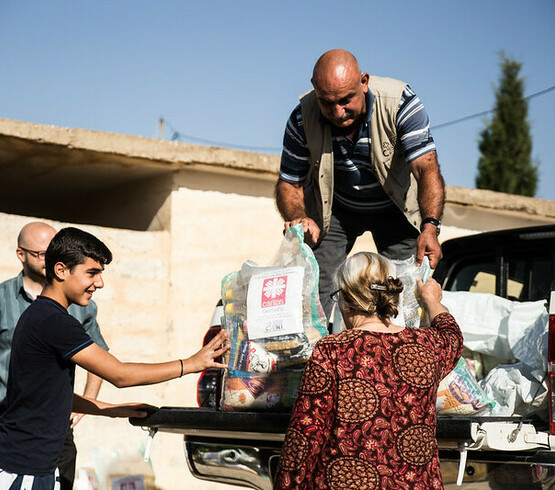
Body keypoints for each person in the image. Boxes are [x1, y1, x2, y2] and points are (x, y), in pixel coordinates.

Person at [0, 227, 229, 489]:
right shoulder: (53, 321)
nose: (100, 283)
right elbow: (119, 374)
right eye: (92, 273)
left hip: (31, 464)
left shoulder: (39, 314)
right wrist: (190, 364)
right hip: (25, 469)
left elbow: (45, 394)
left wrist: (112, 410)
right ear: (61, 270)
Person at [275, 49, 445, 316]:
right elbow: (289, 182)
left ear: (364, 82)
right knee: (313, 291)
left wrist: (430, 226)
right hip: (336, 211)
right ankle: (318, 352)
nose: (338, 112)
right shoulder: (301, 119)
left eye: (346, 100)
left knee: (407, 294)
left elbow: (427, 169)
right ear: (314, 90)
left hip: (395, 208)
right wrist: (298, 216)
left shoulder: (400, 103)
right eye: (327, 102)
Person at [274, 252, 462, 489]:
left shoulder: (333, 351)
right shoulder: (427, 345)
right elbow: (452, 336)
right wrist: (431, 299)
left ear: (347, 299)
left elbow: (305, 436)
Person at [0, 222, 110, 490]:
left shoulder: (81, 304)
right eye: (41, 253)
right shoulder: (4, 300)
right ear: (20, 254)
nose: (49, 257)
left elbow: (100, 358)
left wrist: (88, 403)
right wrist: (187, 364)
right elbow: (120, 373)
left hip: (54, 426)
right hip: (11, 422)